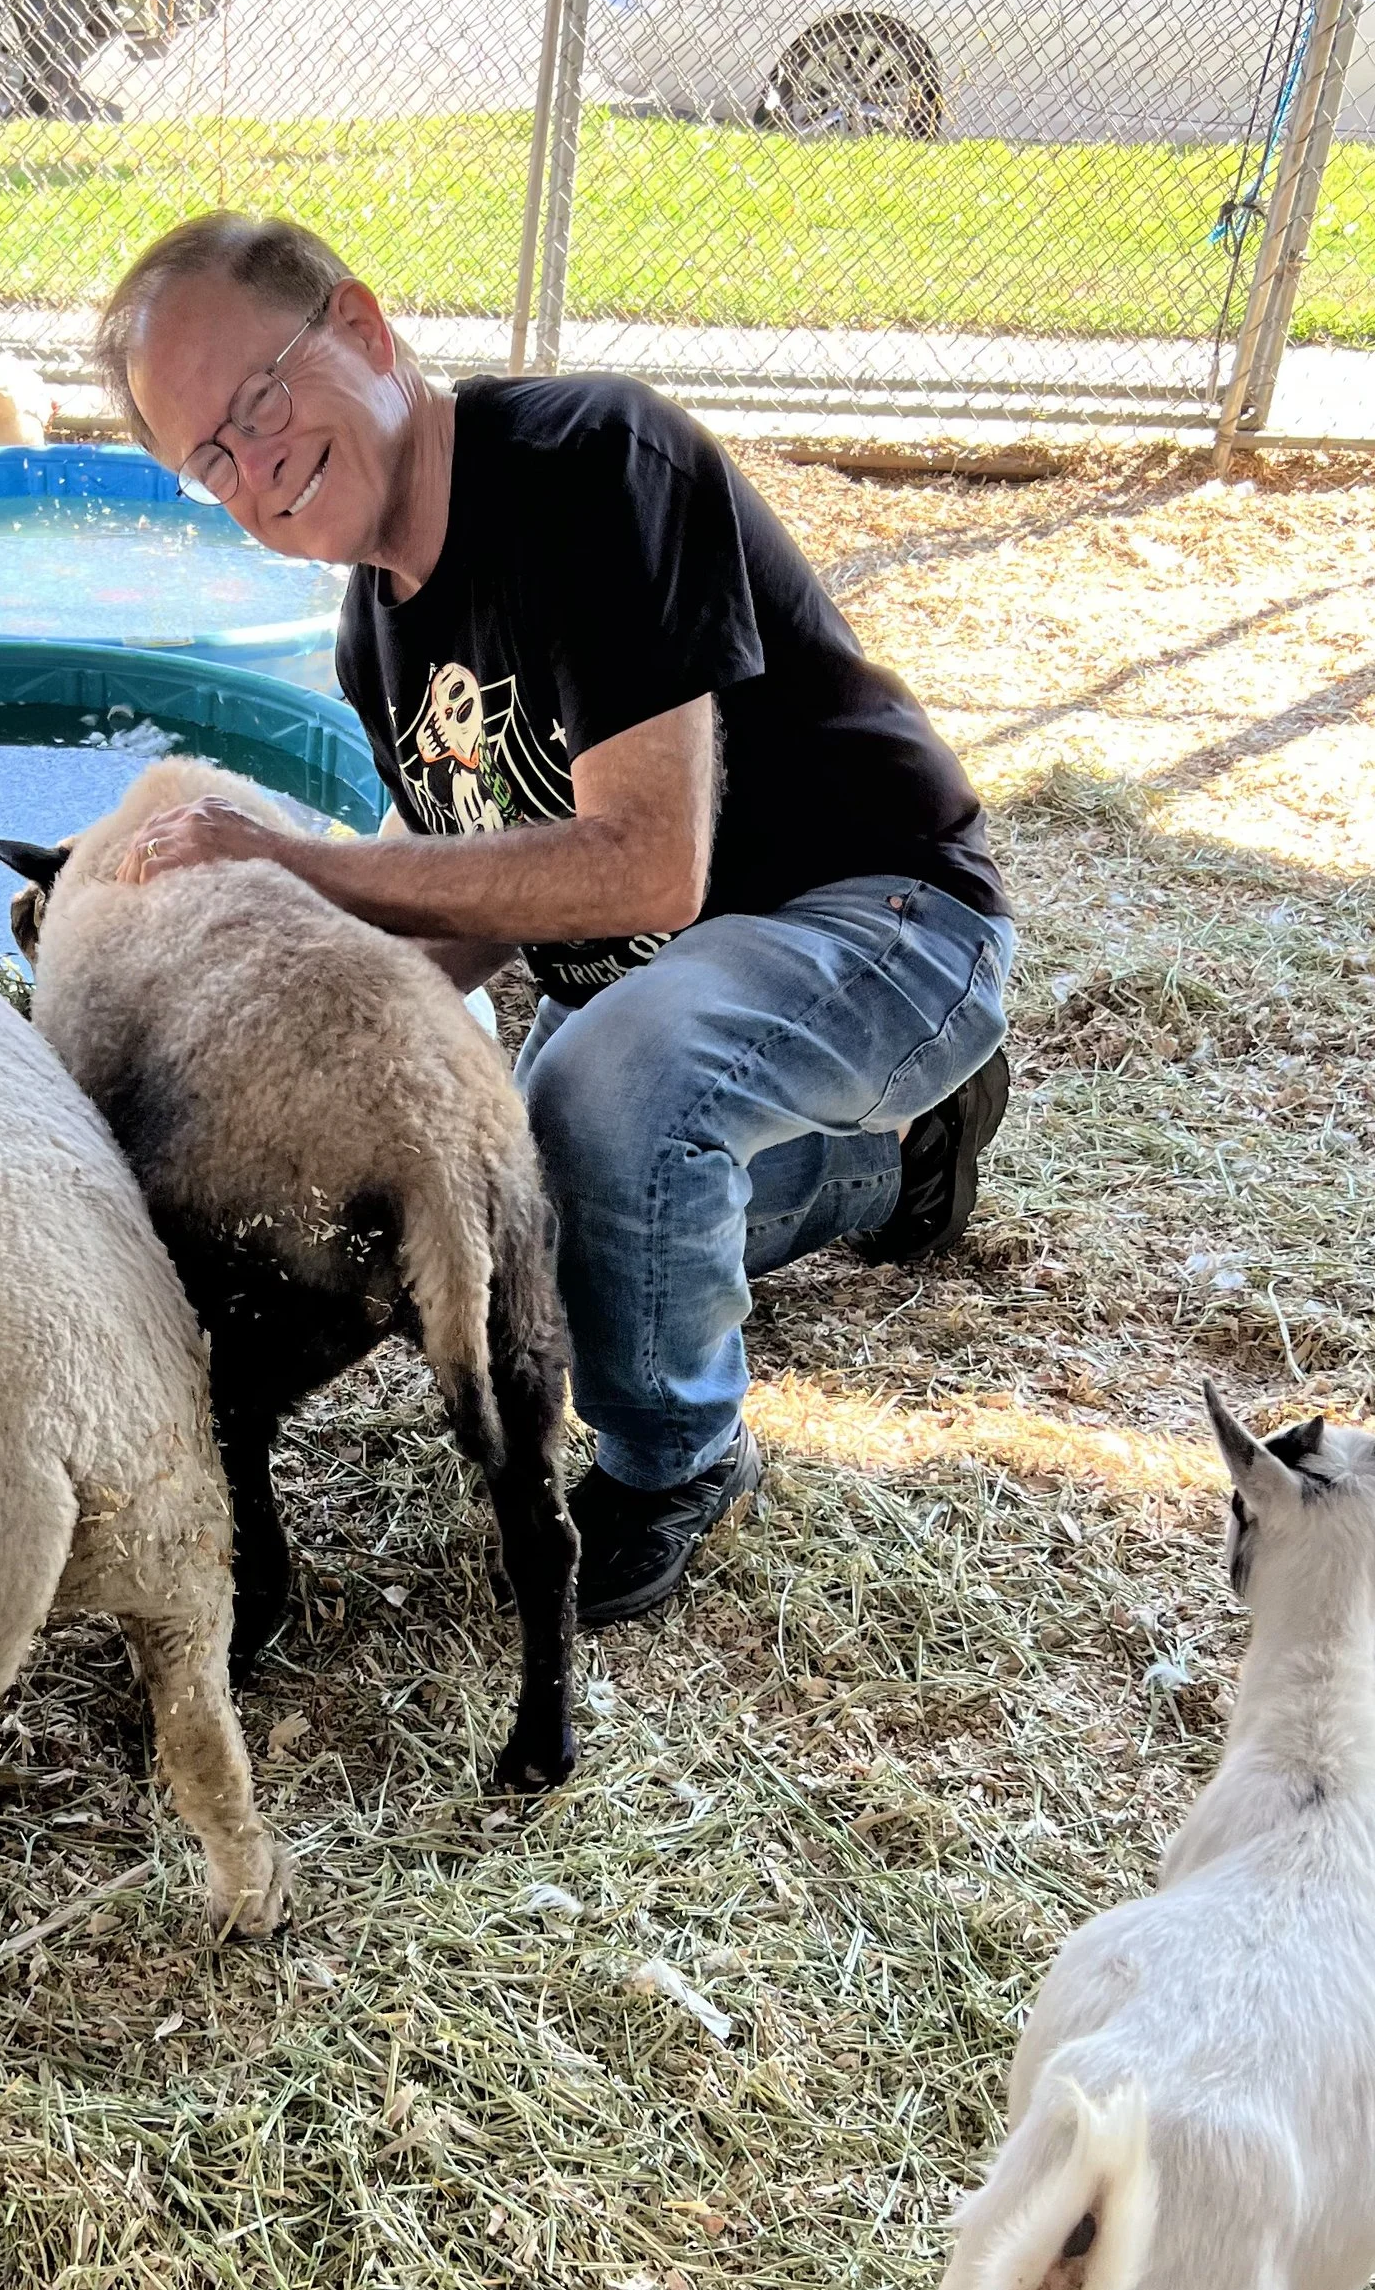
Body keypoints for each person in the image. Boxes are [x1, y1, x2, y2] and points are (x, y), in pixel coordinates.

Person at [93, 211, 1015, 1629]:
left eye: (260, 399)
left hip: (874, 913)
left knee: (602, 1091)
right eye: (206, 457)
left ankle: (677, 1466)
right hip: (668, 985)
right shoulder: (375, 629)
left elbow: (648, 869)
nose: (251, 465)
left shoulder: (592, 464)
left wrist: (301, 870)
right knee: (515, 1224)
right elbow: (471, 895)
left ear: (364, 326)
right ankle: (887, 1170)